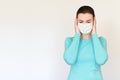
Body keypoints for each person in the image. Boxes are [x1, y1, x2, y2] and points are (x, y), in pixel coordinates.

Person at [63, 5, 108, 80]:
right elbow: (69, 60)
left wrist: (94, 34)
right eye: (81, 21)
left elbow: (101, 60)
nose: (84, 25)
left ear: (94, 21)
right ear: (76, 21)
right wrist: (77, 35)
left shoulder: (101, 41)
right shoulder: (70, 41)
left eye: (88, 21)